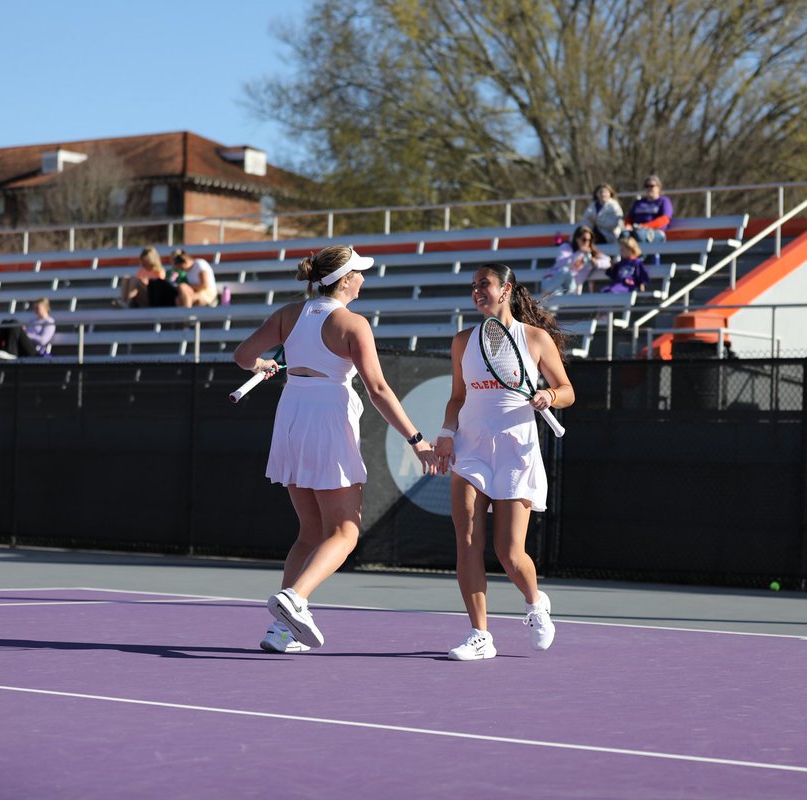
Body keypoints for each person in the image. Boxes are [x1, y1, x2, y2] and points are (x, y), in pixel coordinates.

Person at [233, 245, 437, 654]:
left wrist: (262, 366)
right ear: (345, 280)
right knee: (345, 531)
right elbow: (378, 389)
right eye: (359, 273)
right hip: (326, 419)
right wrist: (417, 440)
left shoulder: (289, 315)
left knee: (310, 533)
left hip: (292, 417)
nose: (363, 278)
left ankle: (280, 631)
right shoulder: (353, 324)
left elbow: (243, 356)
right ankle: (295, 599)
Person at [435, 263, 575, 661]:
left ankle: (534, 604)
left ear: (506, 289)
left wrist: (550, 396)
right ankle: (480, 635)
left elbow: (568, 391)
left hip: (516, 450)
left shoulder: (536, 338)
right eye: (473, 286)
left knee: (510, 553)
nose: (477, 291)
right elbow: (458, 397)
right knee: (466, 543)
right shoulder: (462, 341)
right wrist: (446, 435)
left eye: (485, 284)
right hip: (471, 448)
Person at [540, 225, 609, 296]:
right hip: (555, 281)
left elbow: (608, 261)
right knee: (557, 290)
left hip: (572, 287)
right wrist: (579, 252)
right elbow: (561, 264)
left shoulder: (591, 253)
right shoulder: (565, 247)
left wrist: (596, 262)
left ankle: (545, 293)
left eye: (590, 240)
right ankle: (546, 293)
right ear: (577, 239)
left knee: (555, 287)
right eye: (584, 239)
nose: (587, 242)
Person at [625, 174, 674, 243]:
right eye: (646, 186)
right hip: (636, 229)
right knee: (624, 235)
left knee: (639, 235)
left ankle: (640, 253)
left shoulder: (664, 201)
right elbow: (629, 218)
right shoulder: (639, 202)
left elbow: (665, 219)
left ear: (658, 187)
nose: (649, 188)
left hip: (655, 231)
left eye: (651, 186)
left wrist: (645, 226)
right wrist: (628, 226)